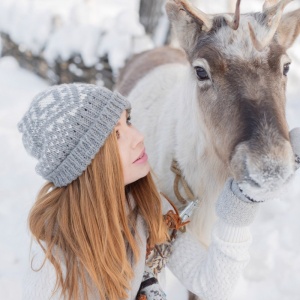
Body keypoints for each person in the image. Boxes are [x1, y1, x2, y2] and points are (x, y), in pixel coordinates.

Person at [18, 83, 300, 300]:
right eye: (116, 134)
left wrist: (242, 203)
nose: (138, 136)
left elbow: (212, 283)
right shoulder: (52, 260)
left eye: (128, 121)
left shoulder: (148, 210)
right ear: (86, 162)